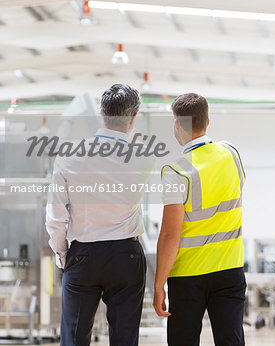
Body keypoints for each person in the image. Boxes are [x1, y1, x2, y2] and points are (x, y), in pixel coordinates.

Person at [46, 84, 155, 346]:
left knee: (73, 336)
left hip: (82, 255)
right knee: (125, 338)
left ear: (101, 112)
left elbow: (55, 216)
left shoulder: (68, 156)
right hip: (125, 256)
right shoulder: (145, 157)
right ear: (134, 117)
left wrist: (63, 254)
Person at [153, 93, 246, 346]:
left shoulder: (175, 172)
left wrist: (159, 283)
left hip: (187, 276)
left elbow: (170, 235)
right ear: (207, 121)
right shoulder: (232, 154)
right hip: (230, 270)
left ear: (177, 125)